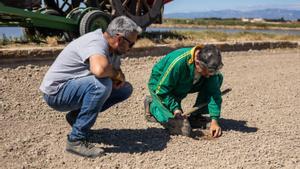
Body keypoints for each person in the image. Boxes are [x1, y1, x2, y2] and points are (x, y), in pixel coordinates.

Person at [40, 16, 142, 157]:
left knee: (125, 89)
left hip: (71, 88)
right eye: (131, 44)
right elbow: (100, 70)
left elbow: (116, 73)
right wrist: (114, 74)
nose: (131, 49)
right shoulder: (95, 42)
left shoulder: (114, 51)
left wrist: (118, 76)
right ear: (119, 39)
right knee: (100, 85)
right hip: (56, 93)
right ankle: (76, 140)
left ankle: (76, 119)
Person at [145, 44, 224, 138]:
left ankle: (195, 116)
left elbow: (213, 92)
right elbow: (162, 90)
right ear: (197, 62)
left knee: (217, 79)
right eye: (206, 71)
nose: (208, 75)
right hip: (161, 84)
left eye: (211, 72)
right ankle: (152, 106)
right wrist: (176, 109)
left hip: (187, 81)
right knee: (178, 126)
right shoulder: (178, 62)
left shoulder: (209, 69)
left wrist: (214, 121)